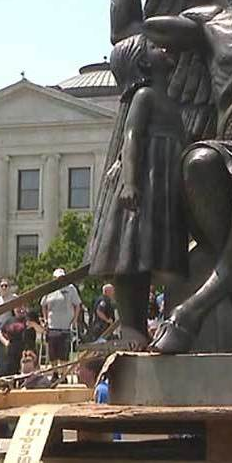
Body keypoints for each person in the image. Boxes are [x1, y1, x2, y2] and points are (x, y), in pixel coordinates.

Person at [87, 34, 189, 343]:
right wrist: (130, 182)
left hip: (164, 182)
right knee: (130, 255)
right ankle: (131, 325)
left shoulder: (170, 99)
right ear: (144, 62)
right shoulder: (144, 96)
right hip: (145, 179)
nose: (166, 47)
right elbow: (131, 137)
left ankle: (143, 326)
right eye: (156, 47)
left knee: (147, 255)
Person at [41, 268, 81, 364]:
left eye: (62, 277)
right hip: (52, 326)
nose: (60, 280)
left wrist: (75, 319)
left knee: (64, 353)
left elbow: (77, 305)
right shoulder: (49, 289)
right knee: (53, 353)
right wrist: (45, 319)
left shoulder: (70, 288)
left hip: (66, 327)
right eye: (58, 278)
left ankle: (63, 374)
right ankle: (55, 373)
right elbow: (43, 305)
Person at [0, 307, 43, 377]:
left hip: (28, 351)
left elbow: (41, 330)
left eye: (21, 306)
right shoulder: (9, 320)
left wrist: (33, 324)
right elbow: (0, 332)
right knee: (11, 374)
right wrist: (5, 342)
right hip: (13, 350)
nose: (19, 309)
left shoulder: (30, 318)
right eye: (17, 307)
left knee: (28, 375)